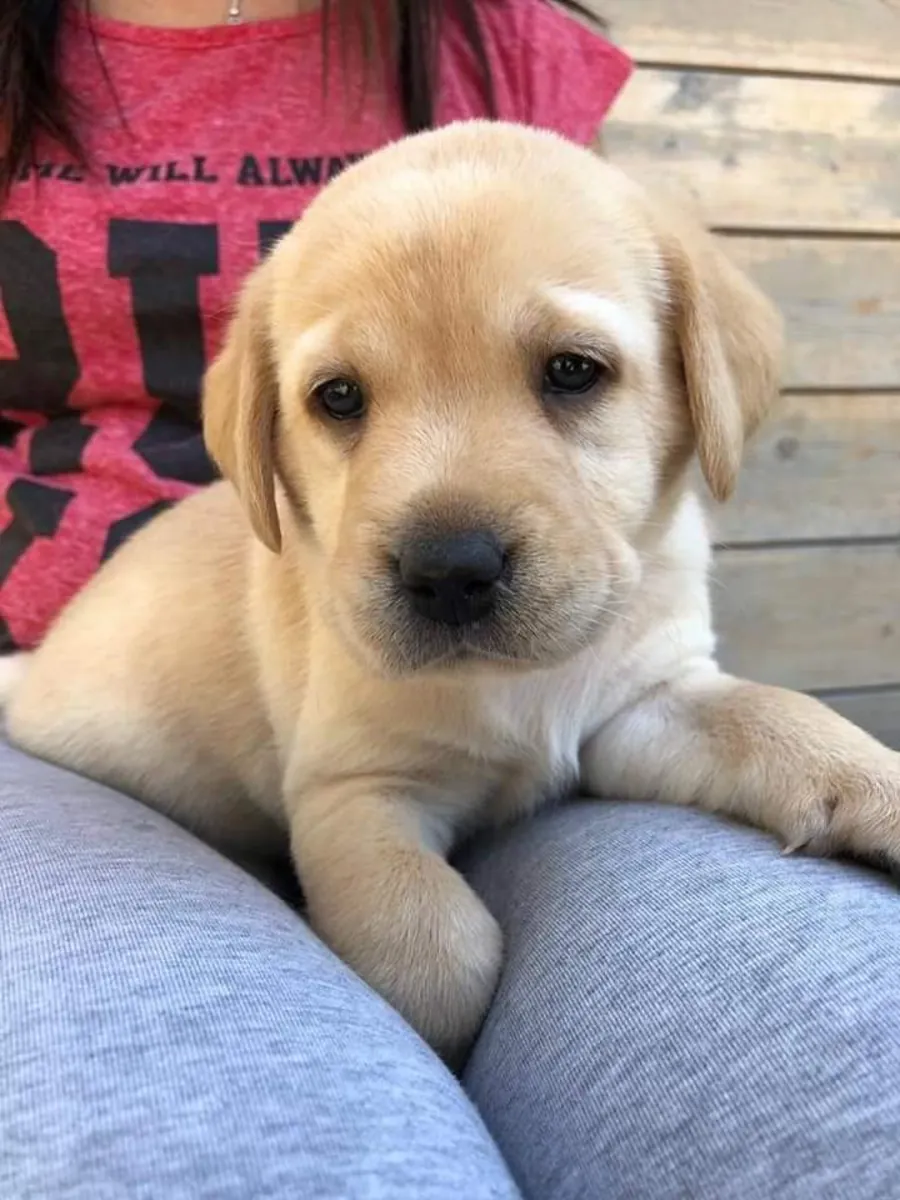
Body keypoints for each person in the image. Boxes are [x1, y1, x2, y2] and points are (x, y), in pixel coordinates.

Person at [1, 3, 899, 1197]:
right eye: (340, 400)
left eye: (571, 373)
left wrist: (842, 771)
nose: (445, 536)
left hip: (535, 825)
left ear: (701, 383)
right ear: (264, 443)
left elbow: (656, 707)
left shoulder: (502, 40)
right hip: (80, 763)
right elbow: (358, 784)